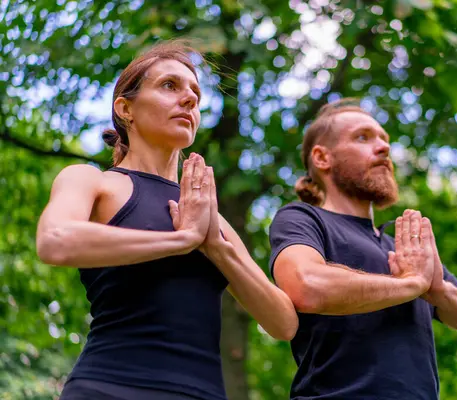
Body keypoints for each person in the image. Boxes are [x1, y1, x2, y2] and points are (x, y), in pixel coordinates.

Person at [36, 42, 298, 400]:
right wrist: (182, 240)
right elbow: (54, 240)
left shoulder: (208, 217)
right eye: (169, 86)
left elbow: (283, 322)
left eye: (195, 93)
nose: (190, 99)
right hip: (108, 388)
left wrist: (216, 248)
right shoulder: (92, 181)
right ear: (125, 108)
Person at [268, 99, 457, 400]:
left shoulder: (404, 248)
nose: (384, 148)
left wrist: (439, 291)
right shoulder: (302, 218)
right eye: (363, 137)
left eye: (385, 140)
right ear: (322, 157)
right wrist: (410, 284)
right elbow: (305, 286)